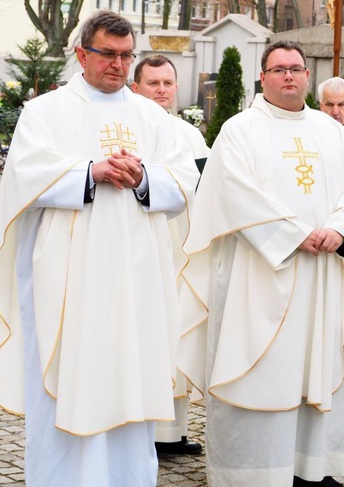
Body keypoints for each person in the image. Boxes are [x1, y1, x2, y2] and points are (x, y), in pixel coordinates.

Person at [0, 11, 200, 487]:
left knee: (129, 369)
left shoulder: (153, 117)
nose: (119, 65)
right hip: (69, 274)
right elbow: (24, 178)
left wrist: (144, 178)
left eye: (127, 56)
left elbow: (185, 180)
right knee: (73, 369)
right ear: (82, 54)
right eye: (108, 54)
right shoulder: (47, 112)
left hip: (138, 275)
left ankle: (125, 485)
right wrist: (90, 171)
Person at [180, 40, 344, 487]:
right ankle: (254, 473)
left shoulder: (330, 130)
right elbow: (233, 192)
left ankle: (313, 465)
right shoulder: (240, 130)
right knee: (262, 365)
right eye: (278, 69)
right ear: (262, 77)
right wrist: (292, 234)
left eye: (296, 68)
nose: (289, 76)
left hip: (321, 271)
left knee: (315, 363)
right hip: (259, 273)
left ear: (308, 76)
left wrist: (339, 229)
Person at [131, 54, 207, 456]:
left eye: (167, 83)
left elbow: (205, 183)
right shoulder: (131, 128)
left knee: (179, 331)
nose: (162, 90)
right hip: (145, 246)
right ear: (136, 87)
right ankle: (146, 430)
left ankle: (174, 431)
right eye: (153, 83)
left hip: (184, 245)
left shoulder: (189, 134)